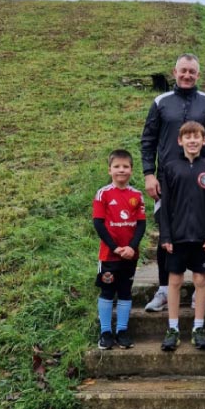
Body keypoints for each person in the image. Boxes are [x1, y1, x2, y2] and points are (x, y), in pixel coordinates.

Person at [140, 54, 205, 311]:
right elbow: (148, 140)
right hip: (169, 180)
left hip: (201, 178)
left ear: (198, 74)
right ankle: (164, 290)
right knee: (166, 235)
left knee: (202, 232)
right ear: (174, 72)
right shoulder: (160, 102)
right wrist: (148, 173)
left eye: (192, 71)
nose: (187, 75)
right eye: (183, 71)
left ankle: (199, 293)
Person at [157, 121, 205, 351]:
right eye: (188, 137)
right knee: (174, 281)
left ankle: (198, 327)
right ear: (180, 141)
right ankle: (173, 328)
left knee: (200, 280)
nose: (192, 141)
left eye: (197, 137)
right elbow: (164, 206)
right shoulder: (170, 167)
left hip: (202, 238)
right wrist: (165, 236)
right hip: (177, 237)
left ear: (204, 141)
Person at [92, 149, 145, 350]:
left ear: (131, 170)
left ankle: (122, 331)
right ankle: (105, 332)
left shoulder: (137, 195)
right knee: (107, 291)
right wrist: (115, 248)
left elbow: (141, 225)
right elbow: (98, 224)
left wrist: (131, 247)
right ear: (109, 170)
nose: (121, 170)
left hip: (130, 256)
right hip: (109, 255)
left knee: (125, 291)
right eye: (117, 167)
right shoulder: (103, 194)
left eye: (125, 166)